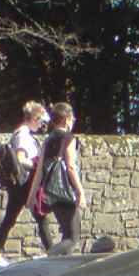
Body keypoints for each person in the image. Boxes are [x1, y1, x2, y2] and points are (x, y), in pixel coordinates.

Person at [0, 101, 53, 267]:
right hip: (25, 183)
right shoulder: (23, 136)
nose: (41, 125)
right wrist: (38, 166)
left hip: (18, 184)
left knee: (10, 219)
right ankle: (53, 255)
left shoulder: (19, 133)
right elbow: (20, 159)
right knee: (42, 218)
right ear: (33, 118)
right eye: (40, 121)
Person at [35, 102, 86, 255]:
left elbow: (39, 171)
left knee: (65, 235)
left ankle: (64, 270)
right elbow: (70, 167)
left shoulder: (48, 139)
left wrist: (32, 196)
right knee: (72, 238)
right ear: (66, 119)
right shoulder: (69, 138)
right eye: (72, 119)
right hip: (65, 192)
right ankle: (45, 256)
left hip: (51, 192)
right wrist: (80, 192)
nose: (73, 122)